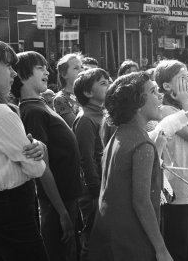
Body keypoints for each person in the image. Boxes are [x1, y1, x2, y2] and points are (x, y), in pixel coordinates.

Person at [88, 72, 172, 261]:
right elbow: (141, 202)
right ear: (136, 103)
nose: (160, 96)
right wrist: (161, 249)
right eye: (153, 91)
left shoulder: (119, 135)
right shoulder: (142, 144)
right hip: (131, 242)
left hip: (107, 236)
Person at [0, 40, 48, 260]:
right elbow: (36, 169)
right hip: (12, 206)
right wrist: (39, 149)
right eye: (8, 66)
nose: (14, 74)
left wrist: (35, 145)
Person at [12, 51, 83, 261]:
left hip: (66, 198)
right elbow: (43, 169)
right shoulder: (32, 112)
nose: (47, 71)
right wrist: (61, 213)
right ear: (22, 75)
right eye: (40, 68)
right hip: (55, 204)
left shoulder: (41, 104)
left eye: (46, 67)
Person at [155, 60, 188, 261]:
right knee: (178, 248)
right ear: (167, 86)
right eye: (181, 77)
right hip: (178, 190)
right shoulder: (166, 111)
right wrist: (187, 103)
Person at [72, 68, 110, 261]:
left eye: (108, 81)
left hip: (104, 186)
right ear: (87, 93)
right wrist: (96, 191)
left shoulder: (104, 114)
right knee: (92, 236)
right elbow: (86, 159)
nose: (109, 85)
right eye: (103, 83)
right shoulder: (86, 119)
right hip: (93, 191)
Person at [54, 53, 83, 127]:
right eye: (76, 68)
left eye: (81, 67)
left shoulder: (87, 94)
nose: (81, 71)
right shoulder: (61, 98)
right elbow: (78, 126)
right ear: (64, 74)